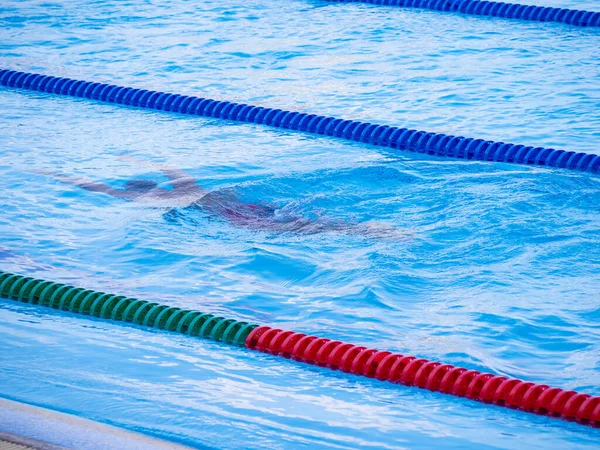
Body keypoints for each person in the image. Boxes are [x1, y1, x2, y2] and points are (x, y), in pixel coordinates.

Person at [40, 156, 411, 239]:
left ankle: (366, 232)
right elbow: (176, 171)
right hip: (234, 201)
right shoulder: (184, 188)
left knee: (300, 230)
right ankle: (367, 229)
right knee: (302, 220)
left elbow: (95, 188)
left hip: (223, 217)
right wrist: (146, 159)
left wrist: (52, 174)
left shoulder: (146, 202)